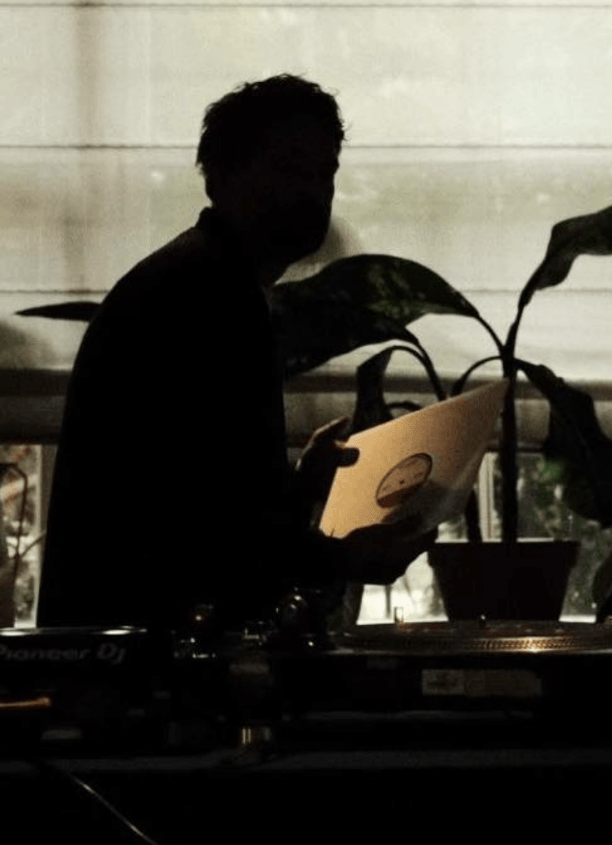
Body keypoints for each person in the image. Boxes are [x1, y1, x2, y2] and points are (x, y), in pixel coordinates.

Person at [37, 75, 426, 631]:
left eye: (326, 172)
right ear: (220, 175)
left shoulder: (197, 279)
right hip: (148, 654)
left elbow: (198, 501)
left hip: (123, 643)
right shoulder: (209, 296)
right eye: (290, 168)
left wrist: (300, 487)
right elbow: (213, 541)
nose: (314, 191)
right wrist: (346, 558)